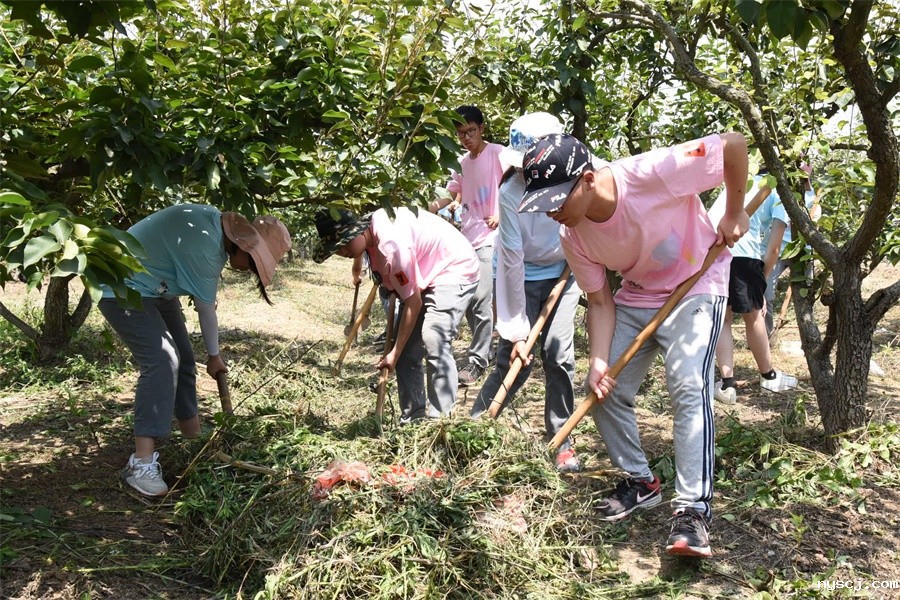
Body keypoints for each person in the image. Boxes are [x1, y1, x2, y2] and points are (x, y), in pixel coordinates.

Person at [519, 132, 750, 558]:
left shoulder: (653, 172)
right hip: (637, 297)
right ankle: (641, 482)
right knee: (603, 389)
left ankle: (693, 511)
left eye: (557, 200)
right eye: (543, 203)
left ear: (588, 180)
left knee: (687, 385)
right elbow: (600, 301)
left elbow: (734, 145)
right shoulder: (573, 237)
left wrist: (734, 212)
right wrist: (598, 362)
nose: (551, 211)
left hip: (696, 285)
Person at [98, 204, 291, 497]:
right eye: (253, 264)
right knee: (163, 361)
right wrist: (214, 357)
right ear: (243, 246)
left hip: (156, 288)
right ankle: (141, 463)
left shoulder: (213, 228)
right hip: (122, 287)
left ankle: (194, 442)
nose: (248, 270)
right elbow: (205, 310)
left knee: (185, 361)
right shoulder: (205, 246)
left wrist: (212, 357)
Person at [468, 112, 582, 473]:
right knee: (513, 359)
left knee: (558, 354)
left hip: (565, 272)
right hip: (522, 276)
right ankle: (476, 425)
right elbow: (513, 260)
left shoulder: (578, 175)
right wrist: (517, 330)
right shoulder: (510, 192)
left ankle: (561, 439)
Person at [314, 207, 479, 422]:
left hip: (453, 268)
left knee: (434, 338)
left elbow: (413, 302)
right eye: (335, 248)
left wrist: (394, 351)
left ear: (358, 230)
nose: (342, 251)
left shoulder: (391, 247)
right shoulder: (370, 239)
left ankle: (440, 421)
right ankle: (413, 420)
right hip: (424, 272)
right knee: (406, 354)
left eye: (344, 243)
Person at [429, 105, 504, 386]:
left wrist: (502, 214)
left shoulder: (498, 154)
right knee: (471, 298)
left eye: (471, 131)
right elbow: (451, 194)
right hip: (467, 237)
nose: (466, 138)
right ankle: (487, 350)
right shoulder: (461, 162)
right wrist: (426, 208)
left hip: (491, 236)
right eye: (461, 133)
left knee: (482, 297)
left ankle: (477, 360)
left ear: (482, 128)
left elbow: (515, 186)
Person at [712, 177, 799, 405]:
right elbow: (774, 248)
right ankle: (769, 376)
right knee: (754, 316)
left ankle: (727, 384)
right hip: (743, 256)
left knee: (723, 319)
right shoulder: (778, 192)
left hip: (714, 253)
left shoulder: (742, 180)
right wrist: (762, 282)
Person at [764, 163, 821, 336]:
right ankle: (765, 335)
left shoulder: (813, 199)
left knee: (805, 295)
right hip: (778, 251)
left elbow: (815, 227)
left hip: (803, 253)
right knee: (765, 292)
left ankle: (808, 334)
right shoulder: (779, 195)